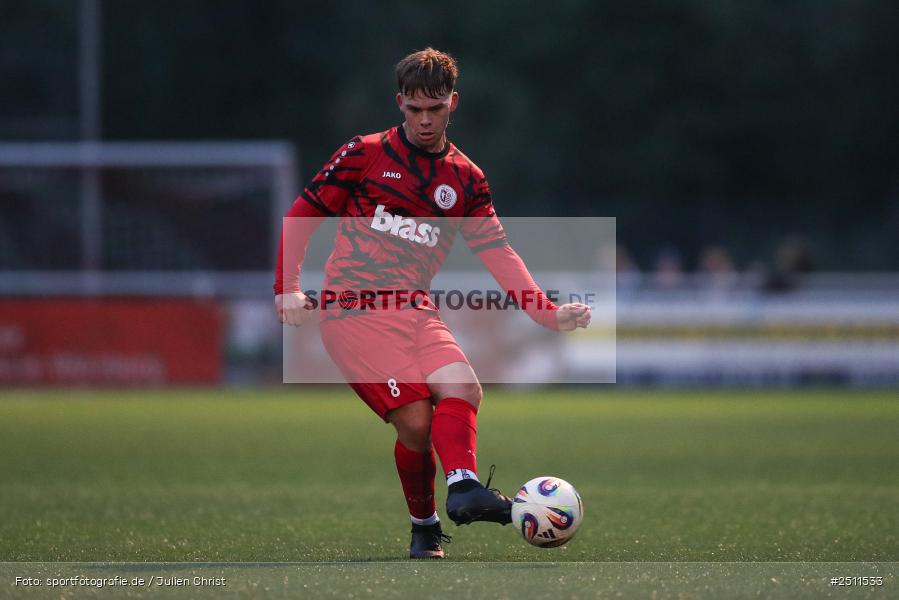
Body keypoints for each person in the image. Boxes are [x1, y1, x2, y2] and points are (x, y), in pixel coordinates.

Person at [274, 48, 591, 559]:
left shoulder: (467, 178)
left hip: (415, 308)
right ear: (400, 103)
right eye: (415, 109)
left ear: (453, 104)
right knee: (417, 424)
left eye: (436, 108)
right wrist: (286, 287)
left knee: (464, 386)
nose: (425, 120)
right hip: (351, 312)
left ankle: (462, 485)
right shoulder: (363, 153)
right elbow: (301, 216)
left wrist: (544, 311)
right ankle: (424, 524)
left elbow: (498, 251)